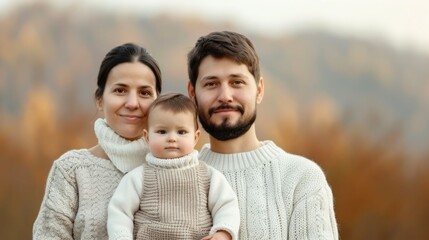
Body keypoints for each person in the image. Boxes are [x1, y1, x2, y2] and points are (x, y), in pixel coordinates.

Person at [187, 31, 339, 239]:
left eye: (237, 82)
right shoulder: (172, 177)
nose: (225, 96)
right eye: (211, 84)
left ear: (259, 90)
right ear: (192, 94)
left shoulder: (302, 179)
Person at [33, 42, 162, 239]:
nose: (132, 103)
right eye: (120, 90)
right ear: (100, 99)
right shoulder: (71, 171)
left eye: (144, 93)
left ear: (158, 103)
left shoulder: (183, 168)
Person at [107, 93, 240, 240]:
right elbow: (120, 212)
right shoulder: (138, 177)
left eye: (181, 132)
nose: (172, 138)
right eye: (162, 131)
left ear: (195, 137)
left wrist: (223, 233)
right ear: (147, 137)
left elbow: (227, 205)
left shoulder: (208, 176)